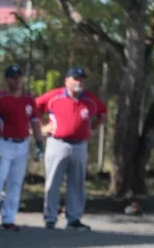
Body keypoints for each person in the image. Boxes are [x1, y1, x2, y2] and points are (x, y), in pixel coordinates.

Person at [35, 67, 107, 230]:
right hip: (57, 143)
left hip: (80, 145)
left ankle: (74, 218)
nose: (79, 82)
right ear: (67, 80)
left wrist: (94, 128)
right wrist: (42, 128)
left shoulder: (89, 99)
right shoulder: (55, 96)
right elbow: (34, 107)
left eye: (81, 79)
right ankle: (50, 218)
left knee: (77, 183)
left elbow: (103, 112)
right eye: (75, 79)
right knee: (53, 182)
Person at [0, 64, 44, 231]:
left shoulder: (29, 100)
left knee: (15, 182)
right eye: (13, 77)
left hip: (22, 144)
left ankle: (9, 218)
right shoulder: (0, 99)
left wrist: (39, 144)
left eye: (19, 77)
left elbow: (35, 123)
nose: (17, 81)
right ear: (7, 79)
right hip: (4, 143)